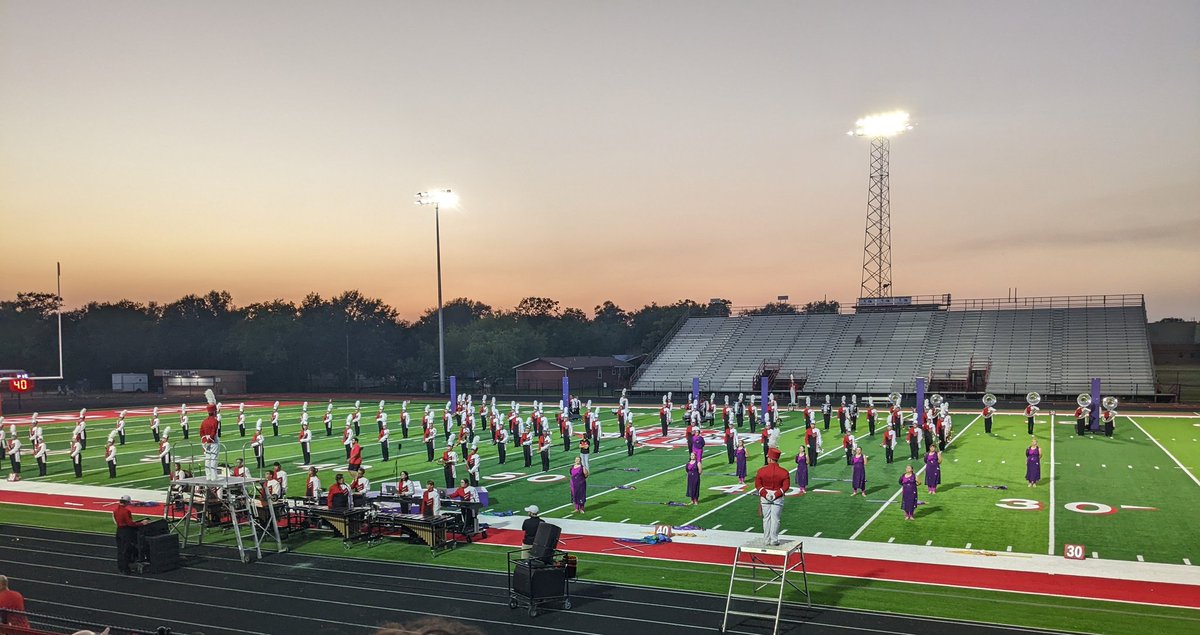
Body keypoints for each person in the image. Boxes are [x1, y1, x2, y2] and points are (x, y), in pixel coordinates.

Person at [755, 448, 789, 545]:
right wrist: (776, 494)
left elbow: (758, 485)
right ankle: (774, 539)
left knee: (766, 519)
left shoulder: (761, 471)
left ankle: (766, 539)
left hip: (765, 496)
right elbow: (786, 486)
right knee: (775, 519)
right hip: (777, 497)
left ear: (769, 458)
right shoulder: (784, 472)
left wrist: (765, 494)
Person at [113, 495, 146, 574]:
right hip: (126, 532)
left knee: (120, 550)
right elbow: (130, 523)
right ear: (127, 502)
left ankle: (121, 567)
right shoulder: (126, 511)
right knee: (126, 550)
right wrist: (141, 523)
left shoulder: (115, 510)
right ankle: (126, 569)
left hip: (119, 531)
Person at [200, 390, 220, 480]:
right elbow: (214, 432)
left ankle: (208, 476)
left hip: (206, 442)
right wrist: (209, 441)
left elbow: (201, 432)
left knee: (207, 459)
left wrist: (204, 441)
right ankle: (214, 476)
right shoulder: (215, 421)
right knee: (213, 459)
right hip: (213, 441)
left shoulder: (204, 421)